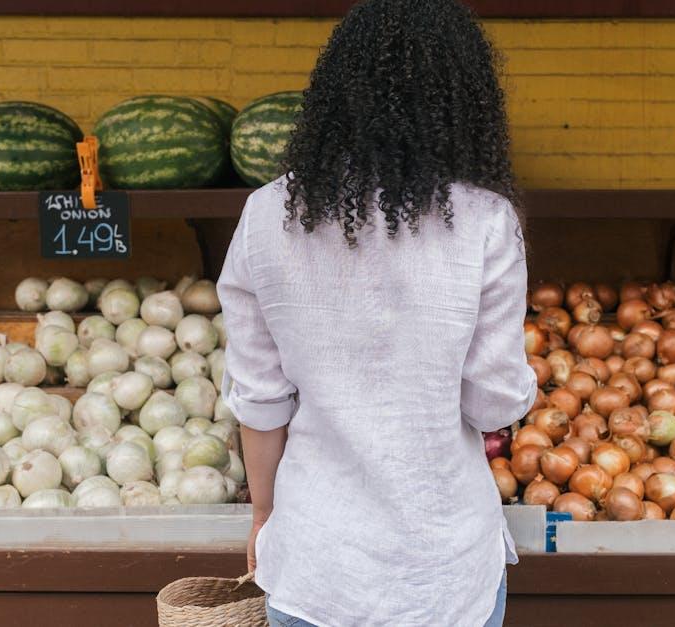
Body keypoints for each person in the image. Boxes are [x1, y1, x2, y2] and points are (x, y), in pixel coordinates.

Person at [217, 0, 536, 624]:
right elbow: (493, 403)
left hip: (316, 561)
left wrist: (263, 517)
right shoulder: (485, 224)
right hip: (443, 571)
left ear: (335, 94)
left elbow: (257, 399)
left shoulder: (265, 217)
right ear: (463, 102)